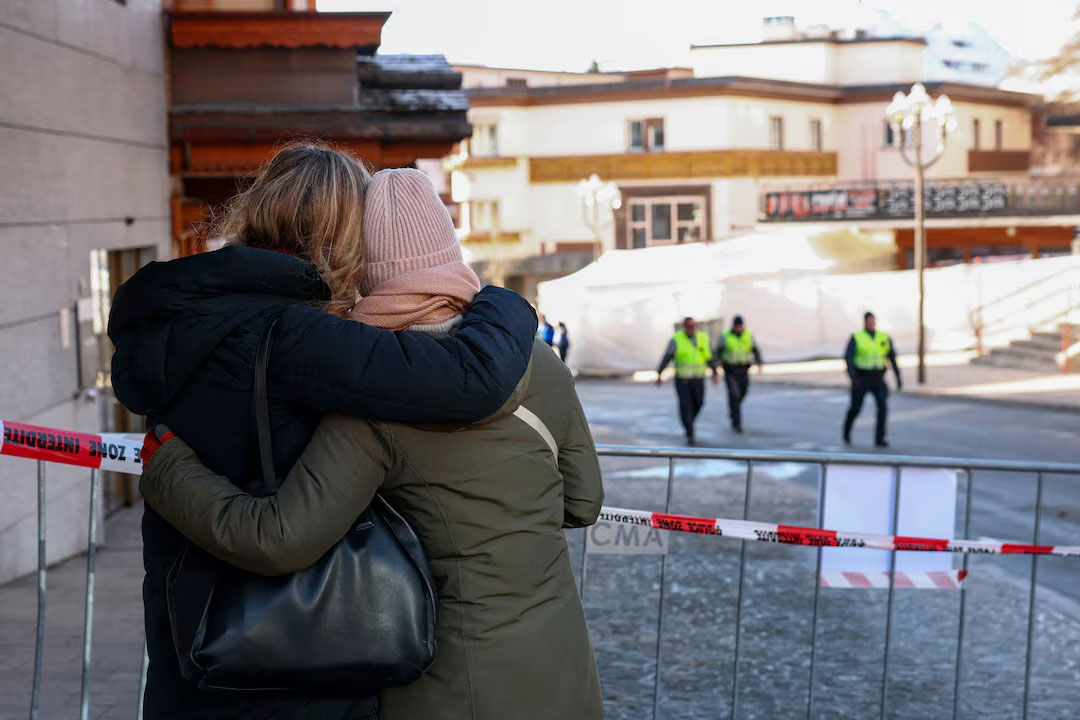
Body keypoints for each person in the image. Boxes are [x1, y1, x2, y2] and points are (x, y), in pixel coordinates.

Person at [137, 168, 604, 720]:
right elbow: (582, 503)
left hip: (447, 682)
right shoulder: (539, 361)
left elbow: (282, 538)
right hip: (561, 663)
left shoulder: (372, 406)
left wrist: (167, 470)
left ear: (365, 270)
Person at [842, 311, 902, 448]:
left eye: (873, 321)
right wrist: (853, 377)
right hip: (861, 378)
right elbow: (848, 358)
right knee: (855, 408)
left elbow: (891, 357)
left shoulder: (884, 337)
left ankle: (880, 438)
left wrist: (898, 377)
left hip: (878, 378)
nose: (871, 323)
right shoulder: (857, 337)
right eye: (869, 321)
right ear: (864, 322)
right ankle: (846, 432)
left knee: (882, 407)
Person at [656, 317, 717, 445]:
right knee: (686, 406)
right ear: (684, 327)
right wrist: (659, 373)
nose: (691, 329)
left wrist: (715, 372)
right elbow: (667, 357)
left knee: (699, 403)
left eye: (693, 326)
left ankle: (689, 422)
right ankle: (690, 432)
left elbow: (709, 357)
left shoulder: (703, 337)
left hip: (698, 379)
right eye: (688, 327)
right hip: (682, 380)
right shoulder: (676, 339)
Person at [714, 315, 763, 434]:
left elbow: (755, 349)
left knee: (743, 392)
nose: (739, 328)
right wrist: (715, 369)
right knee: (734, 395)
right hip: (730, 370)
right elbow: (717, 353)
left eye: (740, 326)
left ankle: (733, 410)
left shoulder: (748, 334)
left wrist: (759, 362)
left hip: (744, 370)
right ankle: (737, 424)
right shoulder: (725, 336)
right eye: (737, 326)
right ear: (733, 326)